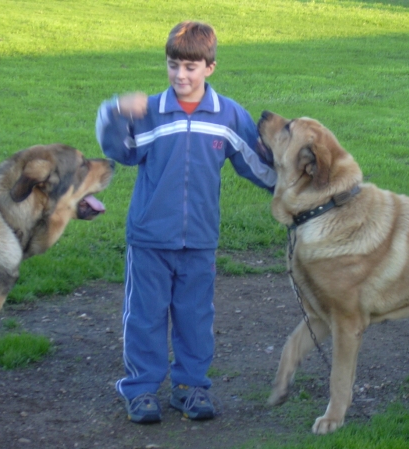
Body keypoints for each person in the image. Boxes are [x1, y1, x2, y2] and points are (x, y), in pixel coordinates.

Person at [95, 20, 276, 424]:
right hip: (149, 240)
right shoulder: (152, 113)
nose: (181, 75)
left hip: (199, 240)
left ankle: (190, 387)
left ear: (209, 67)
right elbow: (120, 151)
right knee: (145, 317)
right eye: (174, 65)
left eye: (191, 67)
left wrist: (293, 192)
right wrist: (114, 112)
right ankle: (140, 390)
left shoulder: (227, 115)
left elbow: (256, 164)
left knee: (196, 317)